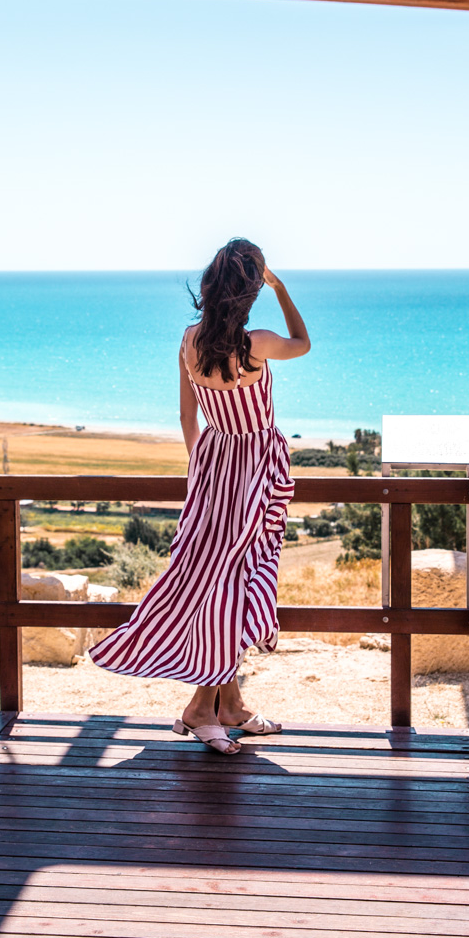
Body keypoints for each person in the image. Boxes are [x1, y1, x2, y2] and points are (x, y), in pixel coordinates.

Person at [89, 238, 310, 755]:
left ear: (211, 287)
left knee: (216, 579)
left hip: (213, 464)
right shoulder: (255, 343)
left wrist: (205, 468)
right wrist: (282, 288)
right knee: (231, 585)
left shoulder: (190, 340)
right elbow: (302, 341)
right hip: (254, 466)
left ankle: (228, 706)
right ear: (250, 290)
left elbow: (187, 417)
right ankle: (199, 707)